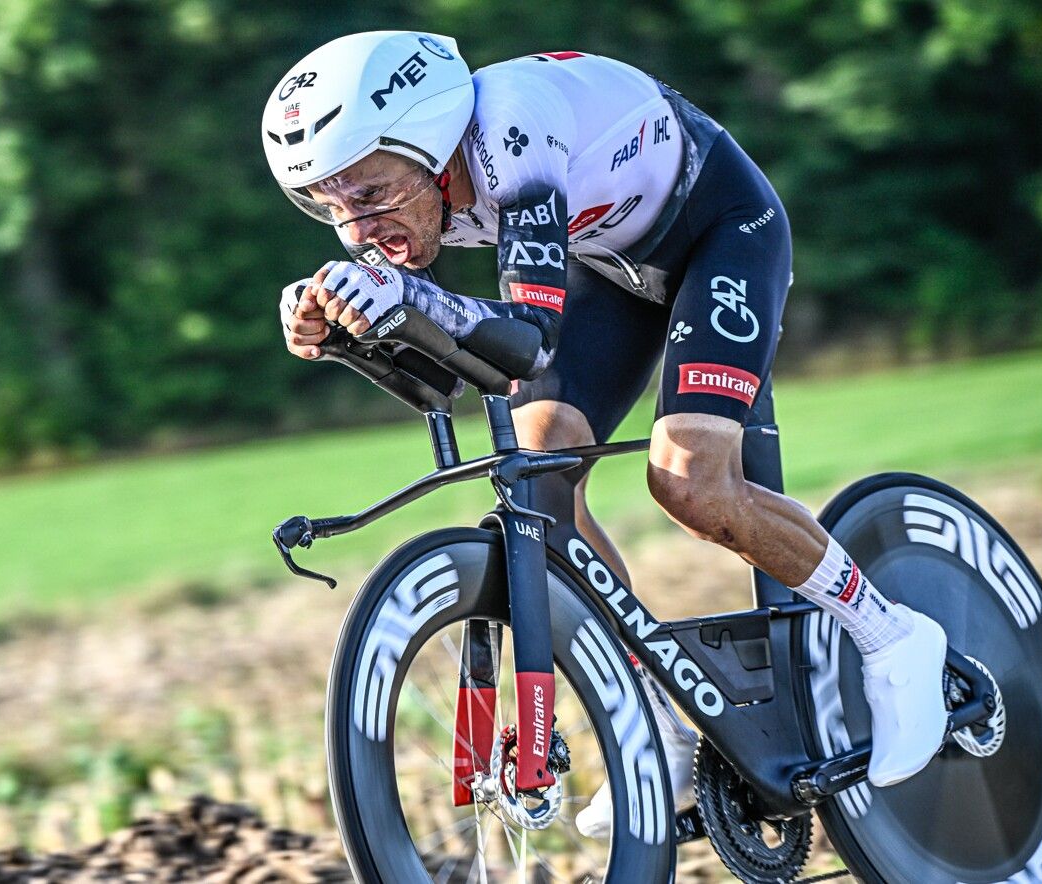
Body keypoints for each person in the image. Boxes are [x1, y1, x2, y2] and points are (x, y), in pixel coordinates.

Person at [260, 31, 949, 836]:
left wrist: (404, 300)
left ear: (433, 141)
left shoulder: (510, 133)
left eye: (373, 194)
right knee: (539, 481)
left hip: (718, 230)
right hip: (606, 264)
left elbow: (528, 342)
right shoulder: (399, 194)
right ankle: (655, 723)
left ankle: (894, 637)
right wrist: (338, 330)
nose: (356, 229)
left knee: (690, 482)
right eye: (330, 205)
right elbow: (446, 371)